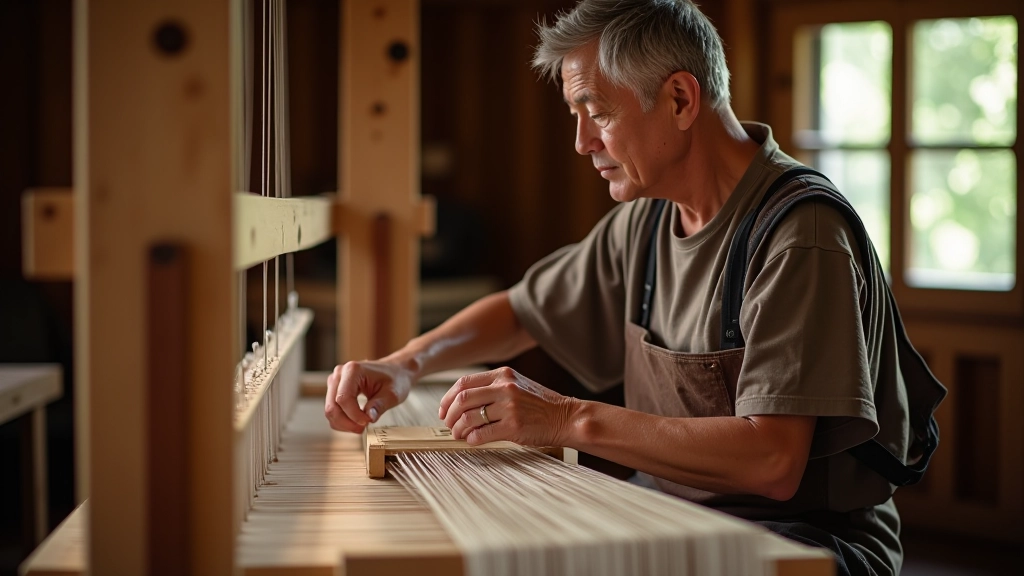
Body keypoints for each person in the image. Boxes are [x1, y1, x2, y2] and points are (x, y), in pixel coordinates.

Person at [324, 1, 908, 574]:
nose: (581, 143)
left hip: (807, 543)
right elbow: (522, 311)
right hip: (673, 515)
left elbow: (773, 461)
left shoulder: (798, 235)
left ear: (680, 99)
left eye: (597, 113)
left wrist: (564, 419)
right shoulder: (648, 217)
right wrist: (404, 364)